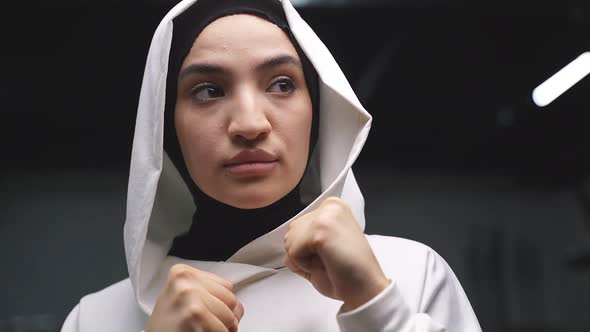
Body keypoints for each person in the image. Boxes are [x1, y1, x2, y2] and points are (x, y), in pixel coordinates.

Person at [61, 0, 482, 331]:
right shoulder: (96, 320)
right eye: (208, 91)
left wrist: (378, 307)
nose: (249, 124)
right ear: (167, 130)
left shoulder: (410, 275)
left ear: (318, 113)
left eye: (282, 84)